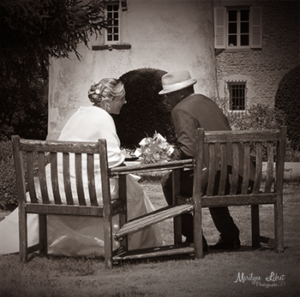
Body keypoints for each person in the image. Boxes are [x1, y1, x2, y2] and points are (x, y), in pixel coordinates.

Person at [0, 78, 163, 256]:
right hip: (90, 193)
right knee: (134, 191)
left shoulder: (78, 114)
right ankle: (133, 245)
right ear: (108, 101)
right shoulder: (104, 118)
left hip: (56, 189)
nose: (125, 102)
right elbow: (114, 160)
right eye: (121, 98)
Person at [159, 71, 255, 251]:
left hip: (221, 177)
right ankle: (230, 236)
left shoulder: (180, 109)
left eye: (168, 95)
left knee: (169, 182)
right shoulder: (207, 101)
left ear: (181, 93)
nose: (166, 100)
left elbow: (188, 150)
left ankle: (194, 239)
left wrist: (169, 152)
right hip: (245, 177)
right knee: (207, 180)